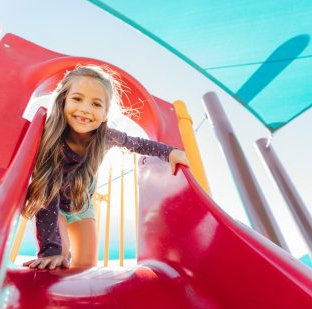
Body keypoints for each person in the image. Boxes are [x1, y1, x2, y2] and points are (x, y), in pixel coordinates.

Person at [22, 65, 189, 270]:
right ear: (62, 101)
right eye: (77, 99)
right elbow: (46, 191)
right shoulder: (50, 137)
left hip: (82, 204)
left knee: (86, 265)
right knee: (59, 256)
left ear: (105, 114)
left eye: (96, 104)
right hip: (50, 202)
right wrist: (51, 249)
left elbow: (137, 143)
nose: (85, 109)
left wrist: (170, 152)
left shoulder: (106, 136)